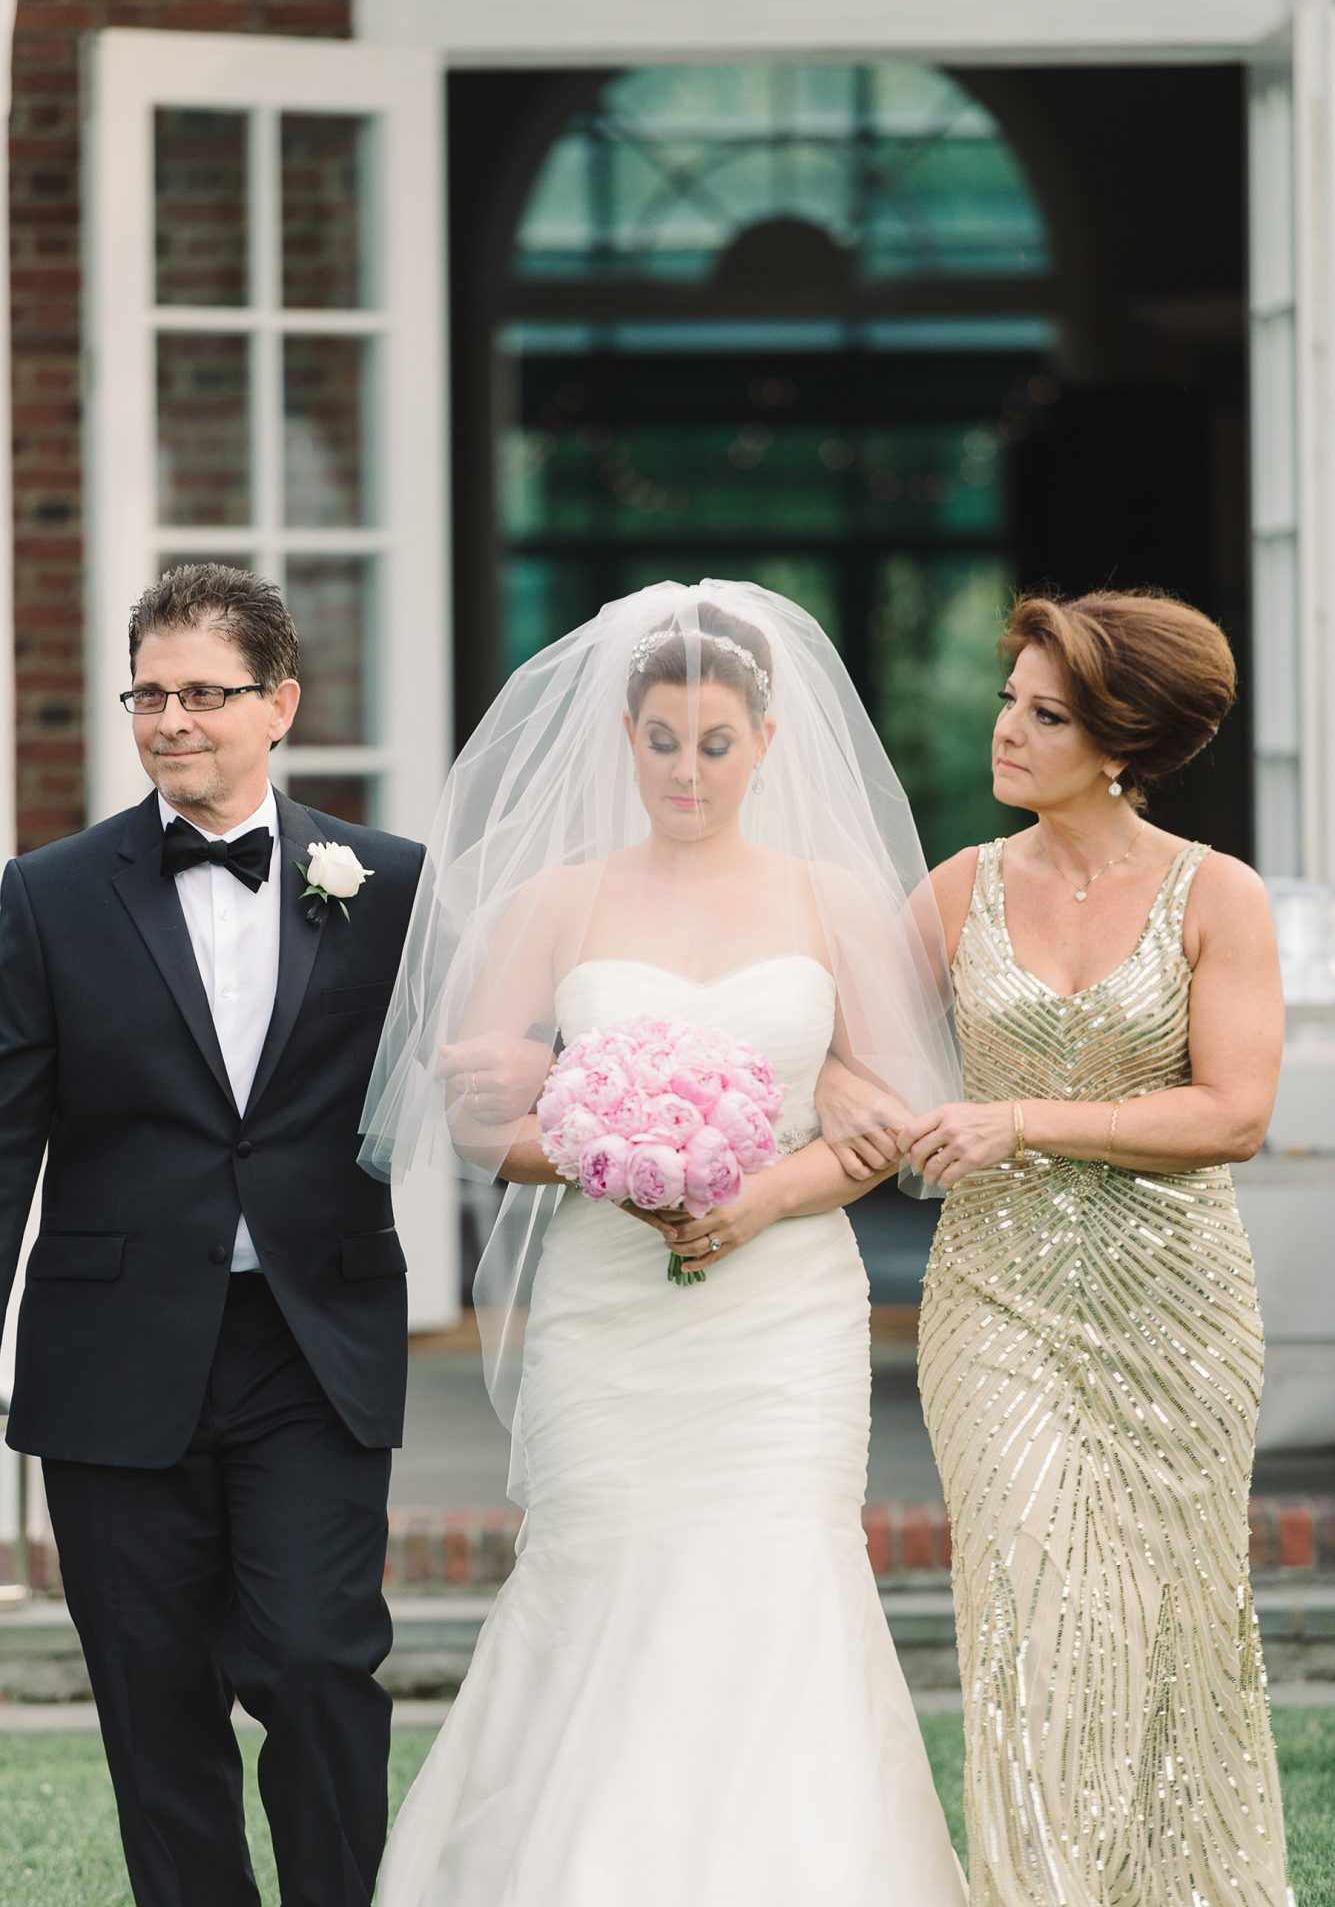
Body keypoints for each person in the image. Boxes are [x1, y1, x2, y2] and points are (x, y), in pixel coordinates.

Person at [359, 580, 967, 1906]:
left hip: (783, 1310)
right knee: (607, 1562)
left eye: (714, 744)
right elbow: (486, 1127)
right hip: (610, 1300)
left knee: (781, 1569)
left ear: (764, 744)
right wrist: (608, 1155)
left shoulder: (831, 901)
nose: (686, 771)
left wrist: (756, 1197)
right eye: (662, 742)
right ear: (623, 739)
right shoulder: (557, 904)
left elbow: (885, 1120)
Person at [818, 589, 1296, 1906]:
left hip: (1178, 1317)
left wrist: (1016, 1117)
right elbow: (832, 1037)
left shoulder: (1219, 896)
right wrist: (848, 1099)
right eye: (1009, 699)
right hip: (998, 1309)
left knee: (1172, 1629)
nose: (1006, 732)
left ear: (1127, 742)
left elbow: (1232, 1113)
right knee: (1033, 1614)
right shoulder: (961, 889)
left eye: (1048, 714)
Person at [0, 564, 425, 1907]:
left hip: (313, 1346)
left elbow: (463, 1083)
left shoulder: (391, 887)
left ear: (280, 702)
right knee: (151, 1698)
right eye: (151, 693)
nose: (173, 719)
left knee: (313, 1664)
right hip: (113, 1357)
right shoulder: (45, 896)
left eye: (205, 693)